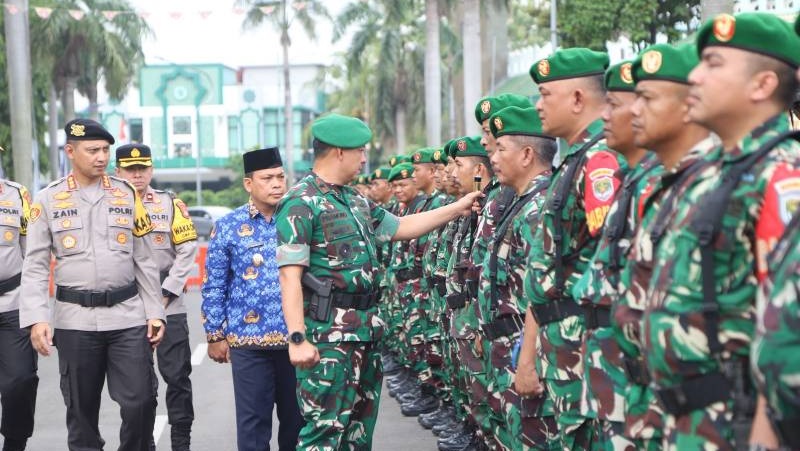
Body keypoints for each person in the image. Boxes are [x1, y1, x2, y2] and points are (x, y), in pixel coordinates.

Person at [639, 13, 800, 449]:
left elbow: (782, 322)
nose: (693, 77)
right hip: (686, 418)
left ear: (762, 85)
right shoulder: (712, 173)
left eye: (712, 63)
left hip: (736, 421)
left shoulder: (781, 175)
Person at [274, 113, 480, 450]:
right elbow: (289, 276)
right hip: (328, 338)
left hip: (366, 332)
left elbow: (399, 227)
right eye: (360, 151)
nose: (365, 159)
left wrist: (458, 208)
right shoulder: (301, 202)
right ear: (339, 152)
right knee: (324, 434)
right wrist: (297, 338)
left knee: (358, 433)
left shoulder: (354, 200)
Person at [20, 118, 164, 451]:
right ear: (71, 151)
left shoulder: (127, 194)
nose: (101, 157)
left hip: (126, 316)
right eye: (92, 150)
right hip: (75, 320)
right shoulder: (47, 199)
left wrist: (155, 311)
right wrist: (37, 318)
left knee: (140, 401)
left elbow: (143, 258)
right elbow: (36, 265)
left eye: (104, 150)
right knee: (81, 412)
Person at [522, 47, 625, 450]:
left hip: (584, 343)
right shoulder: (578, 158)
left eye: (546, 94)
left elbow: (609, 255)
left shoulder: (600, 160)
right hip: (565, 342)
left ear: (578, 99)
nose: (538, 104)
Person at [567, 59, 661, 450]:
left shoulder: (652, 183)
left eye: (615, 105)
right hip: (613, 365)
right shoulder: (633, 180)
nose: (603, 116)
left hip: (642, 378)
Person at [201, 147, 304, 451]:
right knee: (252, 427)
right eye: (268, 178)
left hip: (296, 341)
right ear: (249, 184)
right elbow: (215, 284)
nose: (276, 184)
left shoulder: (299, 218)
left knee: (298, 424)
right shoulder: (230, 226)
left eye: (280, 177)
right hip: (249, 345)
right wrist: (214, 334)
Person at [479, 105, 559, 450]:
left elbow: (540, 293)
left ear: (527, 155)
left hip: (524, 351)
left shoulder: (538, 207)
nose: (492, 157)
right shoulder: (520, 203)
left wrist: (527, 361)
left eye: (500, 149)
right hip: (507, 346)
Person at [114, 144, 198, 451]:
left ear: (151, 170)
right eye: (130, 169)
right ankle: (143, 442)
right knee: (138, 386)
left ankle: (181, 442)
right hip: (127, 306)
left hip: (168, 303)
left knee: (177, 378)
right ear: (117, 171)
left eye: (143, 169)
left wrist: (166, 292)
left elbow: (188, 248)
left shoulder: (169, 203)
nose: (137, 175)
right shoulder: (109, 204)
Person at [0, 167, 36, 451]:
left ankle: (14, 444)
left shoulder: (16, 195)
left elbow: (31, 251)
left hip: (12, 301)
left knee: (21, 380)